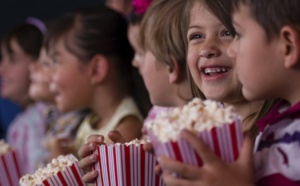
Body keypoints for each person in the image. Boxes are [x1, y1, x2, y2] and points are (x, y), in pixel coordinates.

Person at [158, 0, 299, 185]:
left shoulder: (285, 134)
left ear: (288, 45)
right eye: (197, 35)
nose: (207, 49)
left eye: (233, 34)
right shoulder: (276, 128)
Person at [77, 0, 192, 182]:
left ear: (171, 65)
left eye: (139, 52)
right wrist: (131, 165)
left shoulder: (196, 127)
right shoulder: (155, 117)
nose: (134, 62)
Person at [46, 6, 144, 157]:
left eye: (56, 62)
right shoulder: (91, 121)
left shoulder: (123, 131)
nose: (49, 75)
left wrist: (63, 170)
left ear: (96, 69)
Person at [0, 20, 47, 174]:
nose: (2, 70)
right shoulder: (20, 124)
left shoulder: (46, 117)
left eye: (13, 60)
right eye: (3, 59)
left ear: (38, 63)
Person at [29, 45, 88, 165]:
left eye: (46, 63)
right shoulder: (52, 116)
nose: (31, 66)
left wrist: (57, 164)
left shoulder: (76, 122)